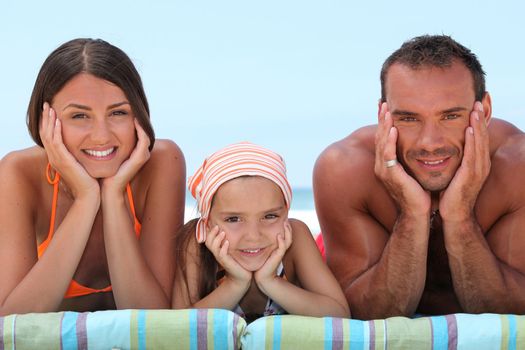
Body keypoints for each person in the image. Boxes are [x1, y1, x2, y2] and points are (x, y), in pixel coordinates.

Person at [313, 34, 525, 319]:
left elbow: (512, 312)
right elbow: (365, 314)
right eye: (409, 119)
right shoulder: (344, 169)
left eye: (450, 117)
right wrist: (412, 213)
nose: (430, 142)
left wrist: (460, 215)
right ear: (383, 115)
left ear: (483, 111)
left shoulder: (516, 167)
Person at [0, 38, 186, 314]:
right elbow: (12, 321)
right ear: (45, 121)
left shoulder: (162, 162)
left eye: (118, 113)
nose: (101, 136)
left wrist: (113, 195)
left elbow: (153, 317)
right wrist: (86, 198)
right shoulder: (19, 174)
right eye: (79, 116)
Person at [173, 142, 349, 321]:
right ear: (208, 222)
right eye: (233, 219)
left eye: (270, 216)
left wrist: (270, 281)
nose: (254, 236)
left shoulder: (297, 237)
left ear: (286, 213)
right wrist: (235, 283)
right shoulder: (195, 243)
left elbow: (340, 314)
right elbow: (177, 327)